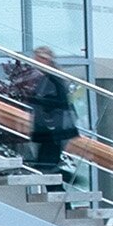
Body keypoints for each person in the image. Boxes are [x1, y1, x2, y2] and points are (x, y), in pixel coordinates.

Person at [26, 46, 78, 175]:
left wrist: (36, 101)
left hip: (53, 129)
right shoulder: (48, 78)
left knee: (47, 166)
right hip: (51, 129)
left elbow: (58, 102)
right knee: (45, 166)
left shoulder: (53, 79)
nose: (35, 62)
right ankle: (67, 180)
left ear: (45, 60)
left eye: (38, 59)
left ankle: (70, 179)